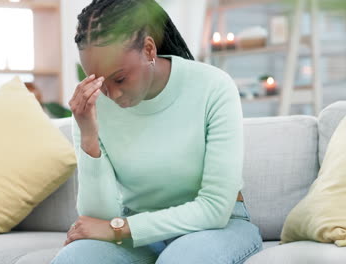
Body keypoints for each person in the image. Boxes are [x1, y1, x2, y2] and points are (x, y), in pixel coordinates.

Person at [51, 0, 263, 263]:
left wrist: (120, 229)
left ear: (149, 49)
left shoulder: (213, 87)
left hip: (216, 227)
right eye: (99, 81)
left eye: (119, 79)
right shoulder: (92, 107)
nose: (111, 94)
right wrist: (89, 138)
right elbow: (98, 220)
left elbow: (215, 209)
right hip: (138, 232)